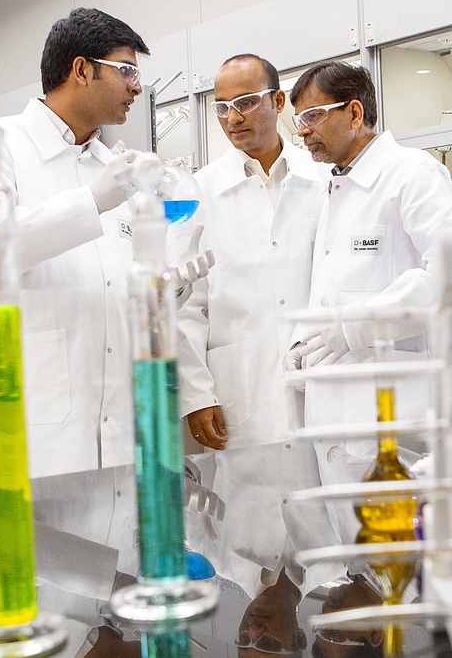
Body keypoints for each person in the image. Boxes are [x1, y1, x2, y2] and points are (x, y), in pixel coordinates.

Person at [0, 7, 212, 656]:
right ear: (80, 69)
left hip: (123, 445)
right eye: (125, 70)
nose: (136, 85)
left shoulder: (111, 164)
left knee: (113, 627)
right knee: (44, 629)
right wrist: (90, 200)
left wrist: (164, 281)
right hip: (46, 445)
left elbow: (108, 282)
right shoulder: (1, 148)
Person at [167, 53, 342, 598]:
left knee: (330, 560)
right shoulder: (199, 191)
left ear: (277, 101)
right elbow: (182, 303)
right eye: (221, 108)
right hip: (237, 398)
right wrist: (195, 394)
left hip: (318, 394)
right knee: (241, 568)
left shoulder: (324, 181)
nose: (232, 118)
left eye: (244, 103)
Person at [287, 60, 452, 544]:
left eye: (312, 117)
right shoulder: (332, 187)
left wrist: (356, 325)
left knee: (407, 579)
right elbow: (332, 287)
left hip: (398, 425)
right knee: (360, 580)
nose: (302, 133)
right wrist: (305, 344)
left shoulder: (412, 174)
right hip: (335, 426)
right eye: (298, 121)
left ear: (355, 112)